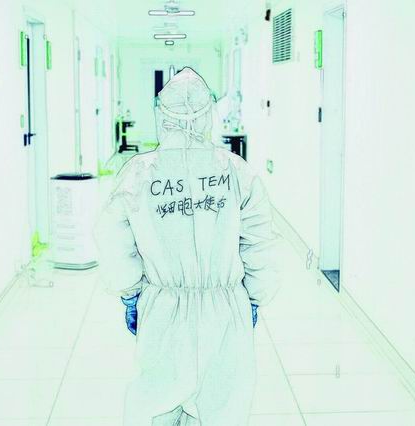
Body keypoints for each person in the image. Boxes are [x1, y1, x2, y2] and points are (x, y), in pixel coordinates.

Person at [94, 67, 280, 426]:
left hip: (163, 311)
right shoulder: (237, 172)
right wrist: (256, 297)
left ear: (161, 117)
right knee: (222, 406)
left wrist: (130, 294)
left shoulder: (139, 174)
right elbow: (260, 243)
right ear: (209, 114)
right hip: (226, 312)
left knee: (157, 406)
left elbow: (113, 239)